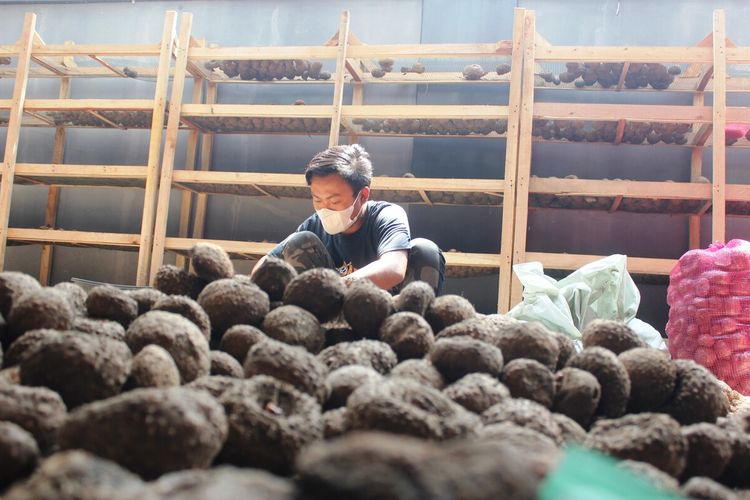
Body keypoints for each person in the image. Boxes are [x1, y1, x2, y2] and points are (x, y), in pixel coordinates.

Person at [251, 144, 445, 295]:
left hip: (386, 312)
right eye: (317, 199)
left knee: (425, 250)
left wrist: (331, 288)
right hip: (334, 311)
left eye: (334, 201)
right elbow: (266, 265)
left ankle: (413, 337)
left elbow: (393, 269)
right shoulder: (313, 226)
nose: (324, 209)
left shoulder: (386, 216)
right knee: (298, 242)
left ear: (362, 196)